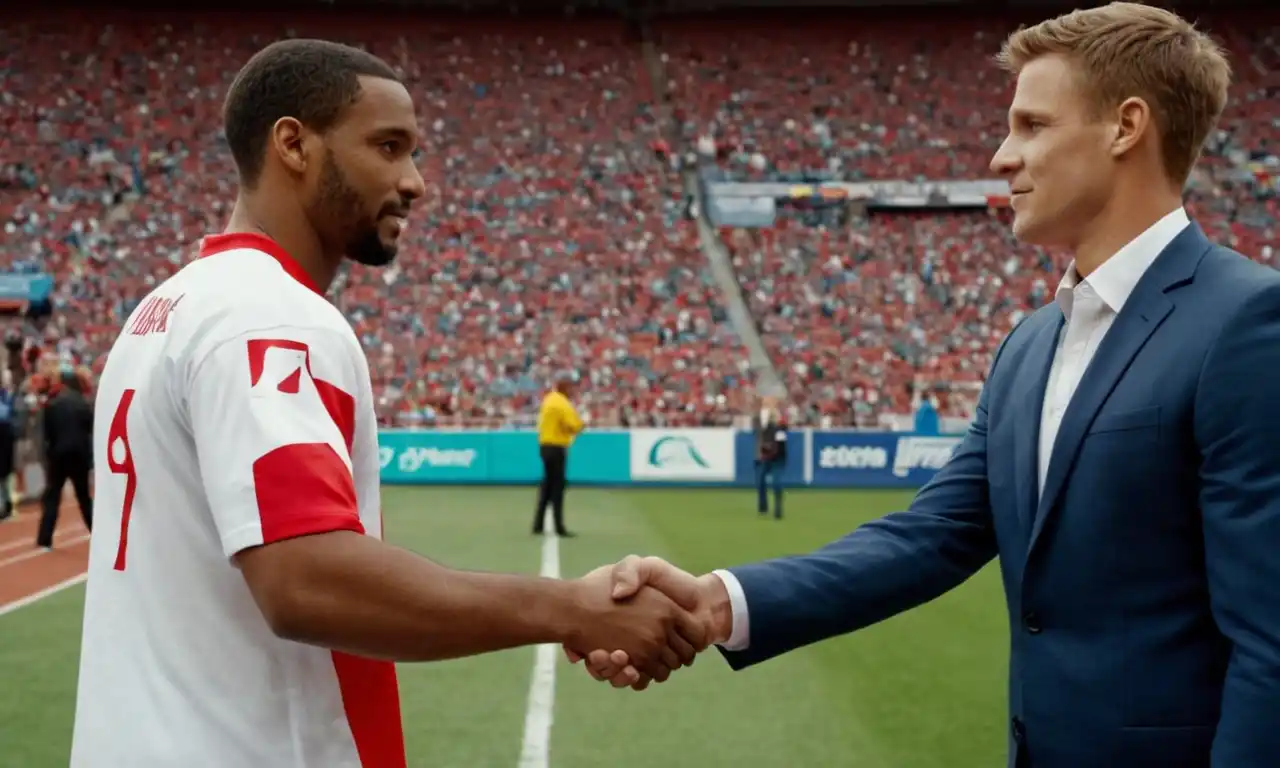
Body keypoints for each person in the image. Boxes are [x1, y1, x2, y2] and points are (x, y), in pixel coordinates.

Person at [571, 4, 1280, 766]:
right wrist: (714, 603)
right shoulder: (1031, 343)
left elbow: (1271, 644)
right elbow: (934, 535)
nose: (1003, 156)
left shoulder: (1243, 324)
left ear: (1125, 126)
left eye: (1032, 125)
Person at [69, 39, 705, 768]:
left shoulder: (164, 308)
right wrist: (571, 608)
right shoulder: (268, 314)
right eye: (388, 147)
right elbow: (304, 578)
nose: (415, 182)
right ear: (293, 145)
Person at [36, 368, 94, 548]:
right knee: (84, 498)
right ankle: (98, 533)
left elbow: (46, 434)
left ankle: (44, 539)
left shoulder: (52, 404)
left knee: (52, 497)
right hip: (79, 455)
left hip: (58, 454)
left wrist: (48, 456)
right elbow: (91, 429)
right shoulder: (82, 403)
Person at [532, 371, 583, 537]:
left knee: (547, 486)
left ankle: (538, 524)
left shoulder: (549, 399)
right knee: (557, 487)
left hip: (545, 445)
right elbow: (573, 425)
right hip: (557, 447)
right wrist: (581, 425)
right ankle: (559, 526)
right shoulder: (562, 403)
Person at [750, 395, 786, 519]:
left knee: (777, 483)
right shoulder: (758, 418)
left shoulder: (779, 421)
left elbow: (782, 437)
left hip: (776, 456)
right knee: (760, 482)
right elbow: (757, 431)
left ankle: (778, 509)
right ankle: (763, 507)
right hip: (763, 455)